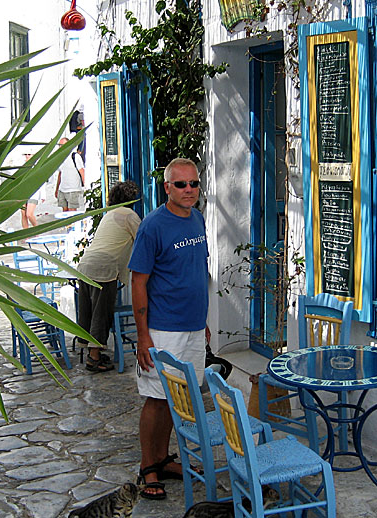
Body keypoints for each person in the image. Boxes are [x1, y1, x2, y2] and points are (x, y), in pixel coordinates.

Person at [128, 157, 210, 501]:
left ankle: (163, 459)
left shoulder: (197, 219)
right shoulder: (153, 226)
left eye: (194, 184)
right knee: (156, 399)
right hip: (162, 330)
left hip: (192, 328)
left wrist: (203, 322)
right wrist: (143, 335)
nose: (189, 190)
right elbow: (138, 282)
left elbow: (193, 274)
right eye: (181, 185)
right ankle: (148, 466)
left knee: (178, 399)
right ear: (167, 188)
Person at [75, 181, 142, 372]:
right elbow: (143, 241)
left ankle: (91, 352)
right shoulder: (129, 215)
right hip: (104, 267)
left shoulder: (109, 215)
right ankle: (94, 358)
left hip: (86, 265)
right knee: (101, 313)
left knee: (88, 311)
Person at [55, 137, 85, 211]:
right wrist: (57, 188)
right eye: (60, 145)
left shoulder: (75, 157)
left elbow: (82, 172)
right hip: (63, 189)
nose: (61, 147)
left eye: (62, 145)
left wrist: (84, 187)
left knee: (72, 211)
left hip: (73, 189)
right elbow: (60, 174)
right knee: (64, 211)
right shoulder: (60, 158)